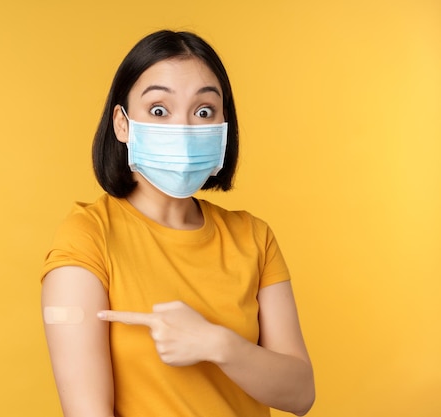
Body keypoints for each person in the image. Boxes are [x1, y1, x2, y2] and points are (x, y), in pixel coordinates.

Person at [40, 30, 315, 417]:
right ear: (122, 124)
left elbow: (300, 393)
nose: (184, 129)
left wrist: (217, 344)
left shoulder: (254, 237)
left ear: (224, 125)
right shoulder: (89, 235)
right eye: (158, 110)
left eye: (204, 111)